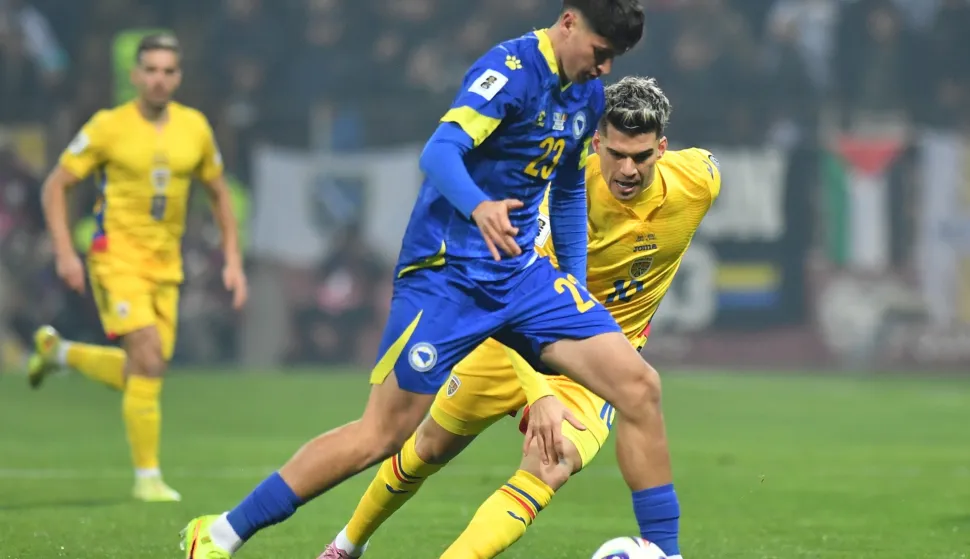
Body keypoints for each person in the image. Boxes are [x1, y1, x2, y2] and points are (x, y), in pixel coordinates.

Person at [180, 2, 662, 557]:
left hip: (522, 275)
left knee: (637, 383)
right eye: (602, 54)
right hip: (447, 274)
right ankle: (219, 533)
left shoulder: (587, 95)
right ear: (571, 21)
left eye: (615, 60)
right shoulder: (510, 70)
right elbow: (439, 153)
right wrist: (480, 208)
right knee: (383, 437)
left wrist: (573, 287)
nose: (604, 69)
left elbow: (571, 192)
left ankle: (663, 548)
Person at [317, 76, 719, 559]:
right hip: (510, 340)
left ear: (662, 149)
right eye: (615, 154)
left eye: (641, 156)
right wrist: (540, 394)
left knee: (551, 465)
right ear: (595, 143)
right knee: (428, 448)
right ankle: (346, 545)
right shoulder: (561, 198)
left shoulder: (699, 181)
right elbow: (513, 295)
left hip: (599, 362)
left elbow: (710, 165)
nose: (627, 169)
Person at [30, 33, 248, 503]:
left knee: (144, 371)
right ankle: (147, 477)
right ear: (134, 75)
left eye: (168, 71)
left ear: (179, 77)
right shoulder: (108, 126)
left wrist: (233, 258)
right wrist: (66, 253)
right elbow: (55, 186)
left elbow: (218, 192)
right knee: (148, 358)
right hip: (116, 257)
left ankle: (59, 353)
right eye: (150, 70)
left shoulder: (195, 127)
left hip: (166, 265)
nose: (158, 80)